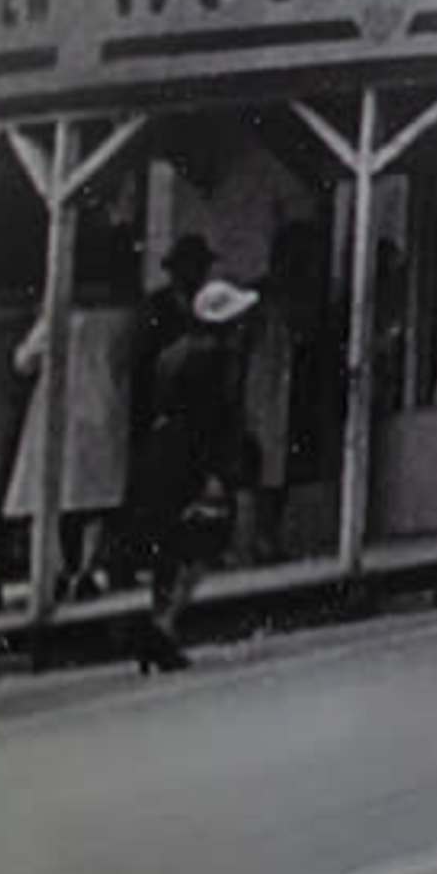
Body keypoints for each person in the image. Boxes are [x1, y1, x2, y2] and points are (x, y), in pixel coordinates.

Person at [127, 271, 256, 673]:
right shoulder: (215, 360)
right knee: (202, 544)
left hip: (162, 451)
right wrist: (215, 470)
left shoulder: (172, 354)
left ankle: (160, 620)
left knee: (170, 545)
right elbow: (211, 418)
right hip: (193, 455)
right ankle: (164, 624)